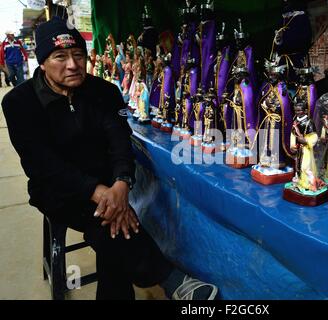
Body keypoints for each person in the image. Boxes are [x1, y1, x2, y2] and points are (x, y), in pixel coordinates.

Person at [1, 17, 217, 300]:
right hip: (58, 190)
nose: (72, 64)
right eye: (60, 57)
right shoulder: (20, 103)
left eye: (78, 55)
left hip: (108, 184)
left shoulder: (103, 91)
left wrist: (121, 183)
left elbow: (119, 141)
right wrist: (99, 192)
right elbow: (41, 164)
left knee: (109, 233)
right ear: (42, 62)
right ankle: (171, 278)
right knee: (109, 224)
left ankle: (169, 281)